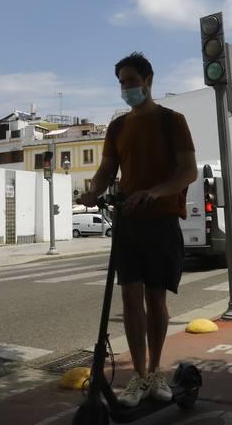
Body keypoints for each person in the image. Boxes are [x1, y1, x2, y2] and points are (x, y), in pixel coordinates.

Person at [77, 52, 197, 406]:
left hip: (160, 219)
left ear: (149, 80)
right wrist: (91, 192)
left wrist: (155, 192)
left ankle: (157, 371)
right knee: (129, 296)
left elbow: (188, 170)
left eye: (131, 80)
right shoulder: (117, 126)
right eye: (121, 83)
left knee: (154, 297)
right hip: (128, 221)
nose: (126, 88)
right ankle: (140, 377)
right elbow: (106, 170)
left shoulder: (172, 121)